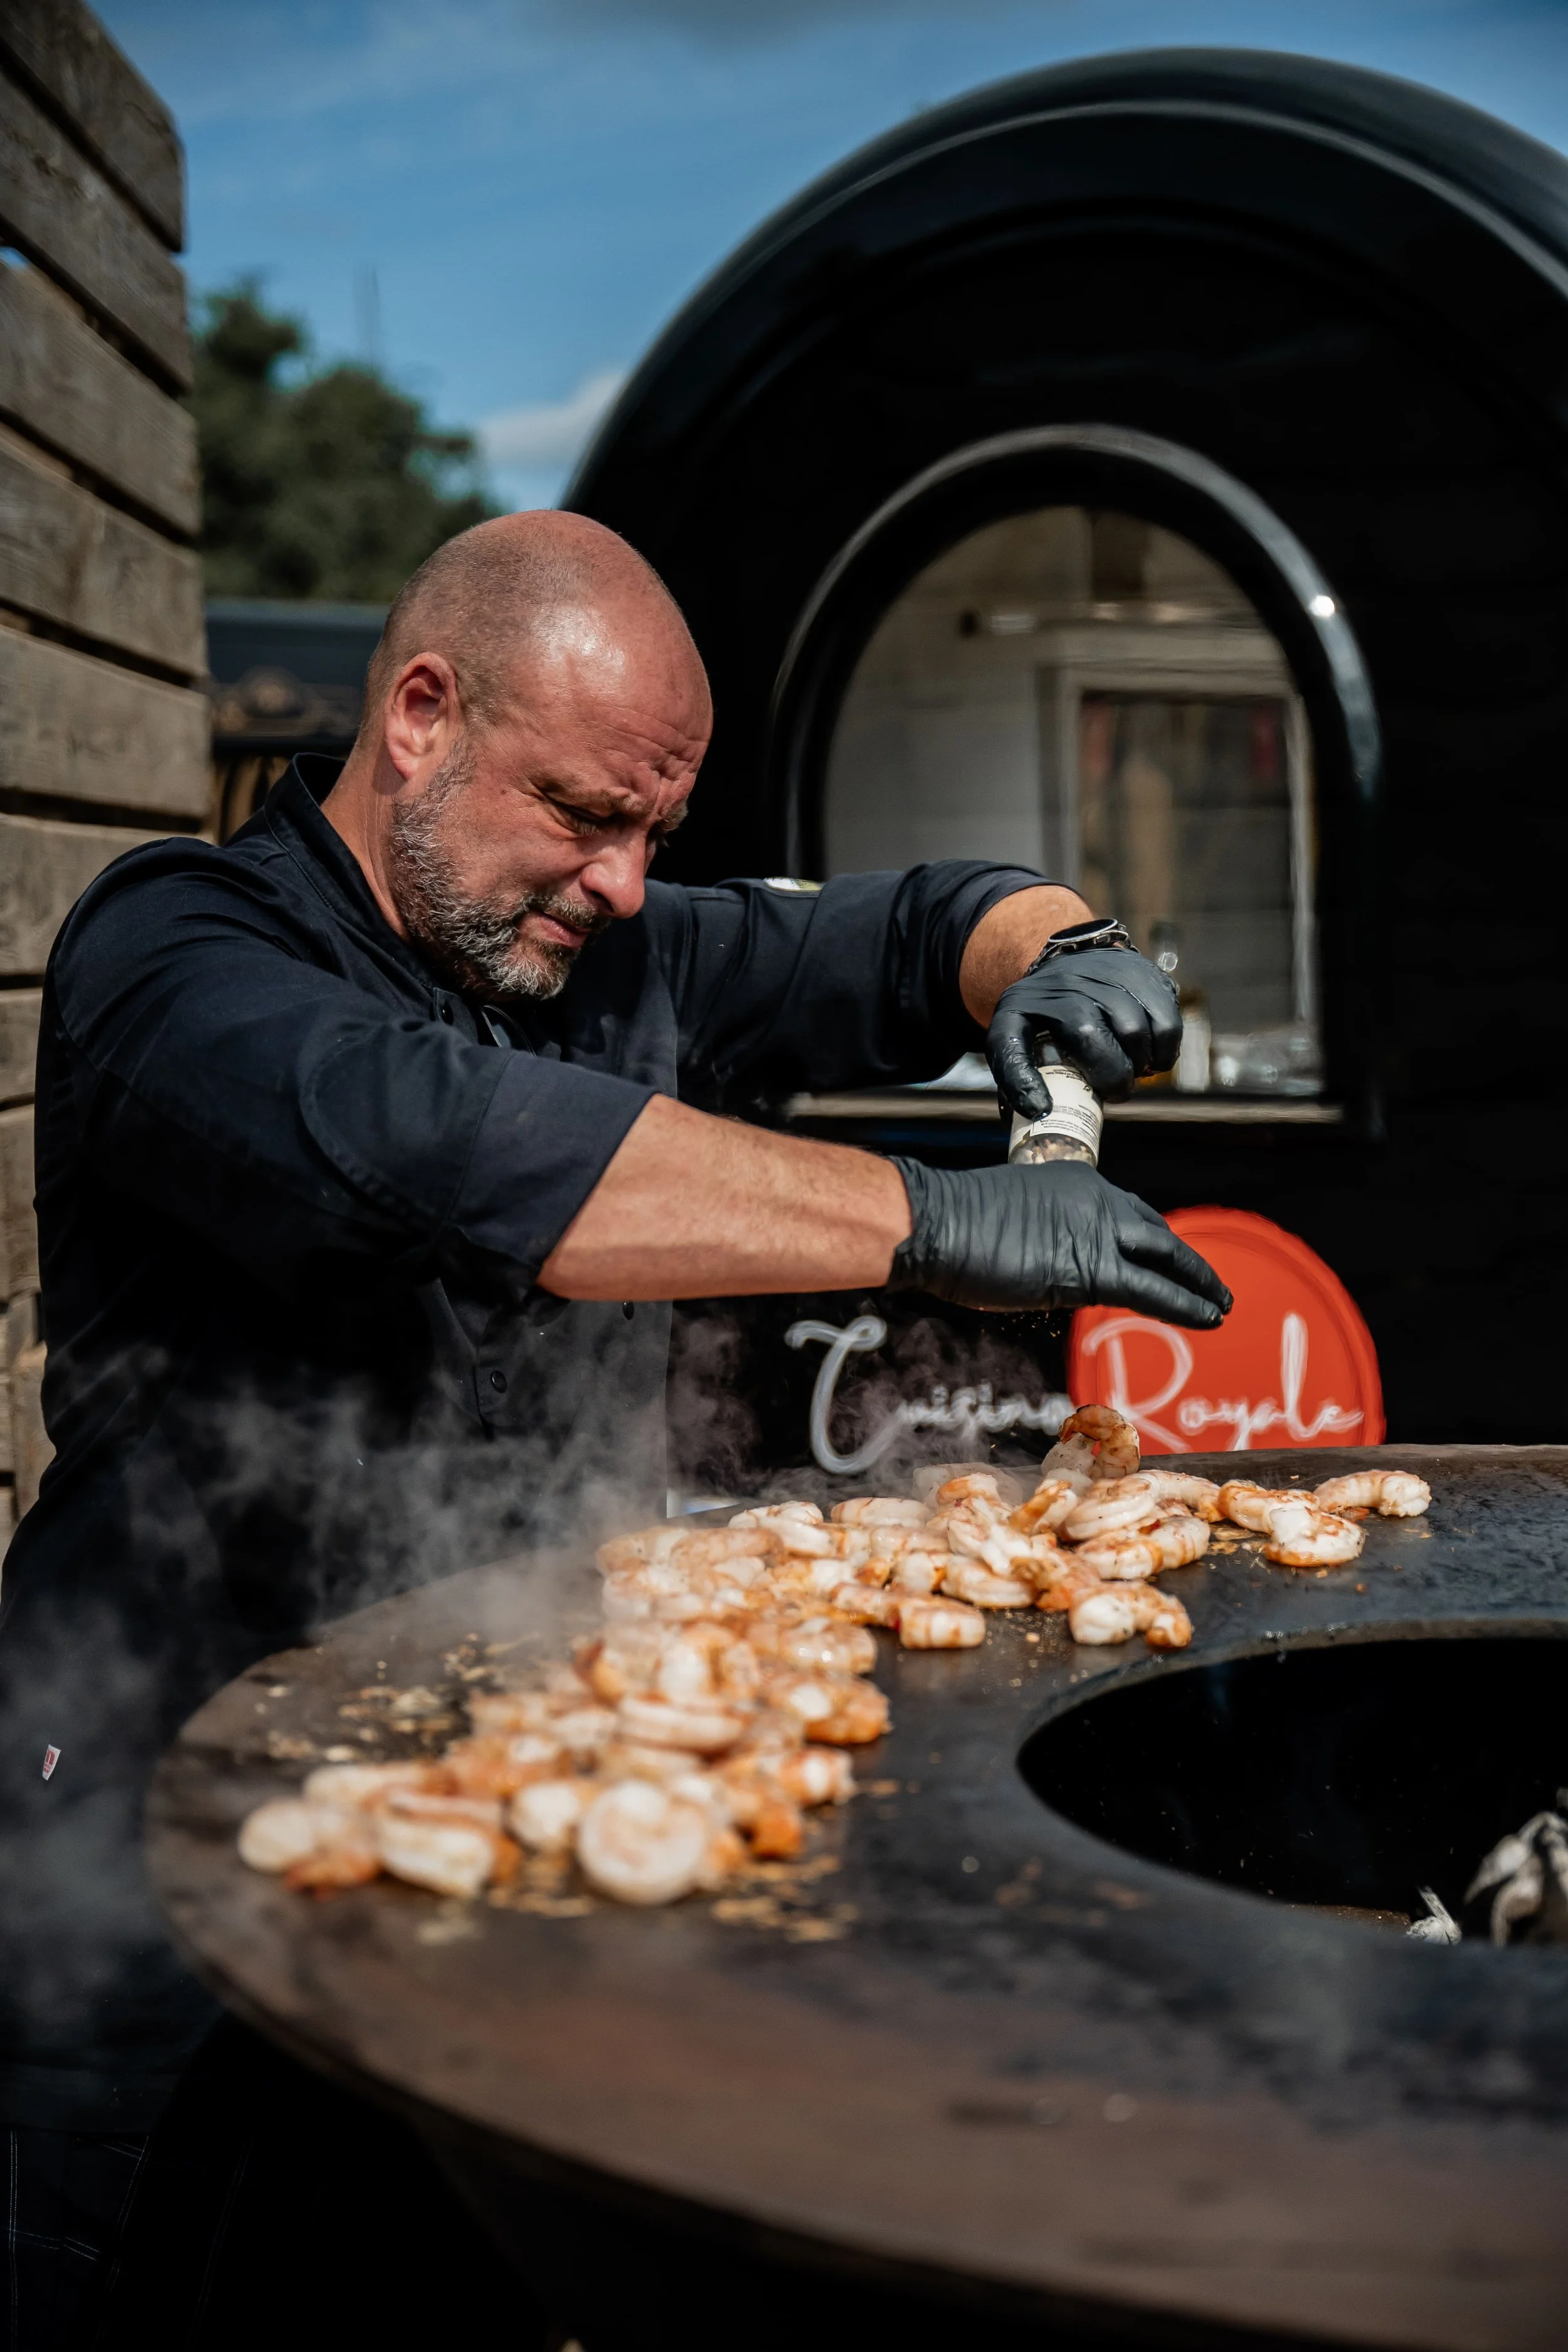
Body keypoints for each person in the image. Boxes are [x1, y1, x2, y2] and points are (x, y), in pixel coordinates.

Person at [0, 512, 1227, 2341]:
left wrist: (1057, 946)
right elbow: (434, 1150)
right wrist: (929, 1216)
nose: (629, 882)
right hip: (170, 1910)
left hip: (517, 1865)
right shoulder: (180, 953)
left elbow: (900, 928)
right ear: (420, 715)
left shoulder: (603, 946)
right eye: (585, 812)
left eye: (658, 829)